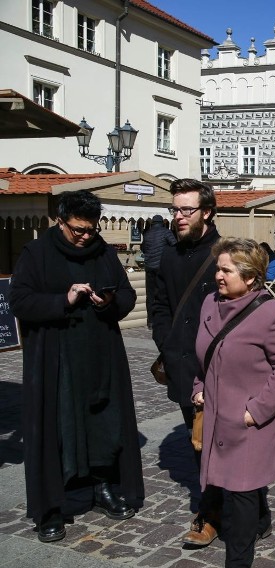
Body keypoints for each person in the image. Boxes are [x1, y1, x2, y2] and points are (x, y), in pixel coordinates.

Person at [10, 190, 144, 543]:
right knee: (56, 427)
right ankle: (51, 508)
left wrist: (110, 301)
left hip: (100, 354)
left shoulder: (102, 252)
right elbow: (19, 301)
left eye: (90, 229)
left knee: (103, 422)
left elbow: (128, 295)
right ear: (60, 220)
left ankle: (102, 488)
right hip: (55, 358)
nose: (85, 235)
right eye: (77, 229)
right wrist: (63, 300)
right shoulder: (37, 253)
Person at [191, 238, 275, 567]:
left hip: (248, 423)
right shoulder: (210, 302)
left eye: (227, 270)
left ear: (250, 277)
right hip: (216, 417)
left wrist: (256, 411)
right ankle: (262, 518)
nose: (218, 276)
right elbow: (202, 355)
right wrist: (198, 385)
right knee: (228, 486)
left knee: (239, 498)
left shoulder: (272, 313)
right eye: (218, 268)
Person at [151, 178, 222, 546]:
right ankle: (212, 511)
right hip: (182, 366)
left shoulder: (225, 254)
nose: (178, 217)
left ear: (206, 212)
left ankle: (240, 510)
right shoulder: (169, 253)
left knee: (225, 444)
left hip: (220, 370)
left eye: (186, 210)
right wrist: (167, 340)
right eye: (174, 209)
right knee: (199, 444)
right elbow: (159, 305)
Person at [141, 214, 176, 328]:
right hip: (162, 268)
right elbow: (175, 246)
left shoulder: (147, 234)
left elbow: (143, 248)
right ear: (162, 223)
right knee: (164, 294)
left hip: (149, 267)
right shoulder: (166, 232)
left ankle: (150, 321)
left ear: (152, 223)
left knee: (150, 296)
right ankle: (164, 320)